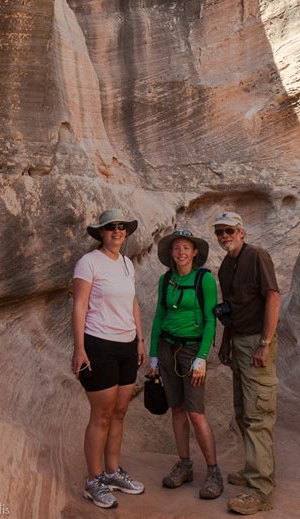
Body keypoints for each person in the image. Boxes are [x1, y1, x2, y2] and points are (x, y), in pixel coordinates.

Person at [72, 208, 146, 509]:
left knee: (119, 412)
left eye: (122, 228)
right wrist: (79, 348)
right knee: (101, 415)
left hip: (127, 345)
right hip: (99, 344)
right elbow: (79, 305)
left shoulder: (128, 263)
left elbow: (133, 302)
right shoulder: (88, 263)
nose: (117, 232)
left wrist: (139, 340)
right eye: (111, 228)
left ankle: (113, 472)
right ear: (101, 233)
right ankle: (94, 480)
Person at [147, 229, 223, 500]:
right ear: (171, 253)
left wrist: (202, 357)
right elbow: (159, 316)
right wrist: (153, 354)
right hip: (168, 347)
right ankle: (185, 465)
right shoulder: (165, 279)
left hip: (192, 350)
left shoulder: (204, 280)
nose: (181, 252)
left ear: (195, 253)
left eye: (186, 248)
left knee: (195, 412)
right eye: (176, 248)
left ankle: (213, 471)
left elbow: (211, 320)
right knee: (177, 408)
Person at [214, 211, 281, 516]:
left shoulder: (258, 257)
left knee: (258, 414)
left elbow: (273, 298)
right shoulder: (226, 267)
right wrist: (226, 341)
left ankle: (260, 490)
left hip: (257, 342)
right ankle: (257, 470)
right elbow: (230, 309)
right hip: (239, 342)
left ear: (241, 231)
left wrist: (265, 343)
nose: (224, 236)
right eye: (220, 232)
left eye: (229, 230)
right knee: (244, 412)